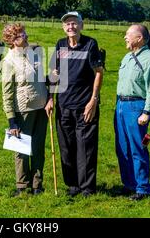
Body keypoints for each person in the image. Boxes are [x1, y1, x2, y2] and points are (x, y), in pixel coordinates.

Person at [48, 11, 104, 197]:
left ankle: (87, 187)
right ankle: (72, 185)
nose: (70, 27)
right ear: (63, 27)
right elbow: (54, 73)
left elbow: (98, 72)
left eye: (74, 23)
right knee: (67, 147)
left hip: (85, 106)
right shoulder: (60, 44)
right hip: (63, 106)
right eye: (67, 24)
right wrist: (50, 97)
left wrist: (93, 101)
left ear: (81, 25)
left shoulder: (90, 44)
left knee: (86, 148)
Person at [1, 23, 53, 196]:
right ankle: (22, 186)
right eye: (21, 35)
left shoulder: (35, 54)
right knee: (22, 149)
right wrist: (12, 120)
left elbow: (41, 80)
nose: (25, 36)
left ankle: (37, 185)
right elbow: (7, 92)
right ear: (12, 40)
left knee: (38, 148)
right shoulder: (9, 61)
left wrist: (50, 91)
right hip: (23, 110)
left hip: (42, 108)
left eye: (24, 32)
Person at [114, 24, 150, 201]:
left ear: (139, 38)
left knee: (137, 147)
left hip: (136, 107)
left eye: (128, 34)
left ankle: (142, 188)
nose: (125, 37)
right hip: (120, 105)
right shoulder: (127, 57)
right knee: (122, 148)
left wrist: (147, 111)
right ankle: (129, 184)